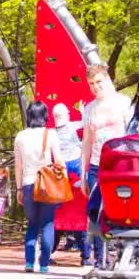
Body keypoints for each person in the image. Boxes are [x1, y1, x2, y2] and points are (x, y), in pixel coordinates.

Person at [80, 64, 132, 269]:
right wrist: (83, 174)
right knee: (96, 211)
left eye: (99, 82)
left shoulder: (124, 103)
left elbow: (133, 134)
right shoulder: (90, 108)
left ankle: (122, 255)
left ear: (108, 80)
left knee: (120, 211)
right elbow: (86, 142)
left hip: (120, 165)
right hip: (96, 166)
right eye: (91, 84)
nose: (95, 87)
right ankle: (100, 258)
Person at [14, 101, 66, 274]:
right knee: (47, 224)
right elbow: (58, 160)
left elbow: (18, 166)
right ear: (44, 116)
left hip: (28, 184)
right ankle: (44, 265)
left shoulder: (20, 136)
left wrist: (18, 189)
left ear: (29, 116)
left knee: (32, 225)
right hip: (47, 185)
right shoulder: (50, 134)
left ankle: (29, 263)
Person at [51, 103, 92, 266]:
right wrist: (82, 111)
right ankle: (86, 256)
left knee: (58, 218)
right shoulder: (70, 126)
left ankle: (46, 253)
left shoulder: (52, 133)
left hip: (61, 168)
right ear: (66, 115)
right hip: (74, 164)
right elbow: (84, 123)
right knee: (78, 217)